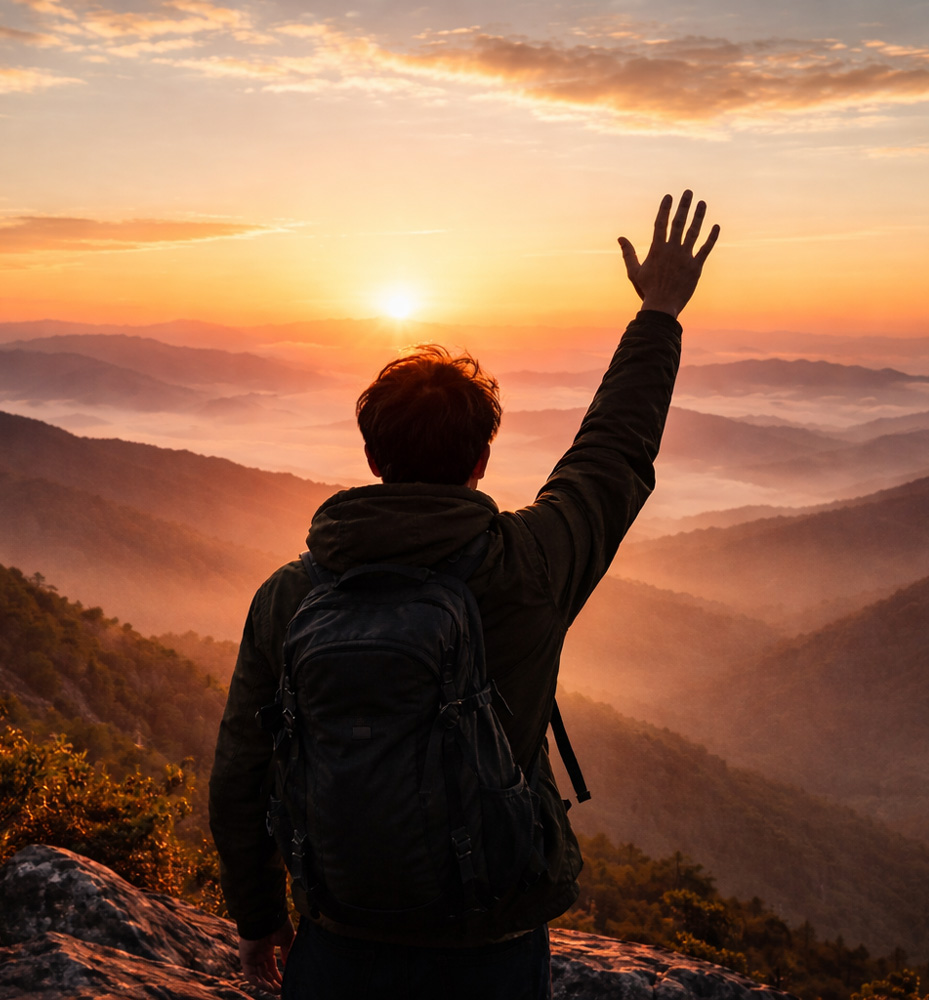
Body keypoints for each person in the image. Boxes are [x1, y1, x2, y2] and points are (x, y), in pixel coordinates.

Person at [208, 190, 720, 998]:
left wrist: (256, 917)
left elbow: (241, 769)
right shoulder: (528, 565)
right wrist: (659, 312)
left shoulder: (290, 597)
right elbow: (613, 451)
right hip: (490, 939)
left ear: (372, 454)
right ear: (482, 457)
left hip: (341, 937)